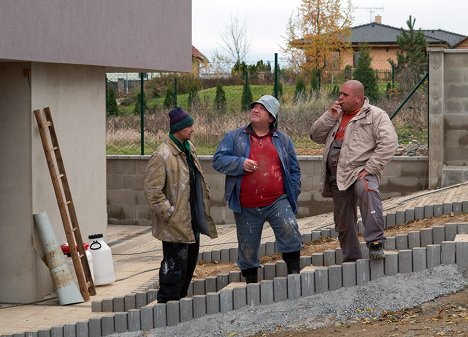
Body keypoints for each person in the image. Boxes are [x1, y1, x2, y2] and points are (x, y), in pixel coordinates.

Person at [213, 95, 303, 283]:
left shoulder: (283, 140)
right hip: (246, 205)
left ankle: (294, 275)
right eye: (255, 107)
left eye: (262, 108)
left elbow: (294, 169)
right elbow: (218, 160)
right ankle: (251, 285)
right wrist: (240, 163)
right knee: (247, 248)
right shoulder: (234, 137)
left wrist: (293, 192)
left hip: (277, 200)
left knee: (290, 229)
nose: (255, 110)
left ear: (271, 117)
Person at [310, 80, 398, 262]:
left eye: (345, 94)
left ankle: (375, 243)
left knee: (368, 190)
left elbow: (389, 143)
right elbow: (315, 136)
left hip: (361, 172)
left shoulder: (375, 115)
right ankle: (352, 259)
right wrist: (329, 116)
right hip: (337, 176)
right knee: (343, 221)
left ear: (358, 98)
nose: (340, 98)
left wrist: (371, 168)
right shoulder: (336, 115)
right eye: (340, 94)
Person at [144, 107, 218, 303]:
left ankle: (179, 315)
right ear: (178, 128)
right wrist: (170, 214)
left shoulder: (189, 148)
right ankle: (166, 313)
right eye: (189, 126)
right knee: (172, 275)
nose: (193, 129)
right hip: (174, 227)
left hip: (190, 223)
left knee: (186, 273)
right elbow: (153, 192)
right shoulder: (162, 155)